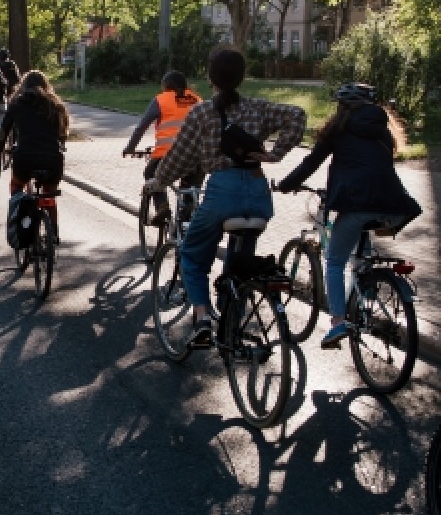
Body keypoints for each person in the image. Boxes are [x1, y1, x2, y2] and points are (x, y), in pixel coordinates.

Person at [145, 47, 306, 347]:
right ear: (242, 77)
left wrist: (158, 181)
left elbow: (179, 158)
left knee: (193, 255)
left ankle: (203, 319)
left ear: (211, 78)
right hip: (258, 195)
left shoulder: (202, 113)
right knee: (240, 262)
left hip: (222, 192)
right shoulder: (258, 109)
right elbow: (297, 116)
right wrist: (275, 154)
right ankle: (233, 314)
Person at [276, 83, 421, 348]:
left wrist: (285, 184)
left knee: (334, 262)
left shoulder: (338, 131)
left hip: (357, 203)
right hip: (394, 206)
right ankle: (366, 288)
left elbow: (311, 163)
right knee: (362, 243)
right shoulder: (383, 133)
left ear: (341, 108)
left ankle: (337, 323)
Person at [0, 70, 69, 237]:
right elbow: (63, 134)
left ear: (23, 86)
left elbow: (3, 131)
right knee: (49, 195)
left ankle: (20, 223)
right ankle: (54, 234)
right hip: (52, 159)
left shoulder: (16, 104)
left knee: (16, 186)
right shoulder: (57, 105)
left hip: (25, 158)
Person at [123, 71, 204, 226]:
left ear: (166, 86)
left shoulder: (161, 100)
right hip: (196, 157)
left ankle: (162, 206)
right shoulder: (198, 100)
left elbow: (141, 127)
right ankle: (185, 228)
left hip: (166, 155)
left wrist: (130, 148)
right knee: (189, 193)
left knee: (150, 173)